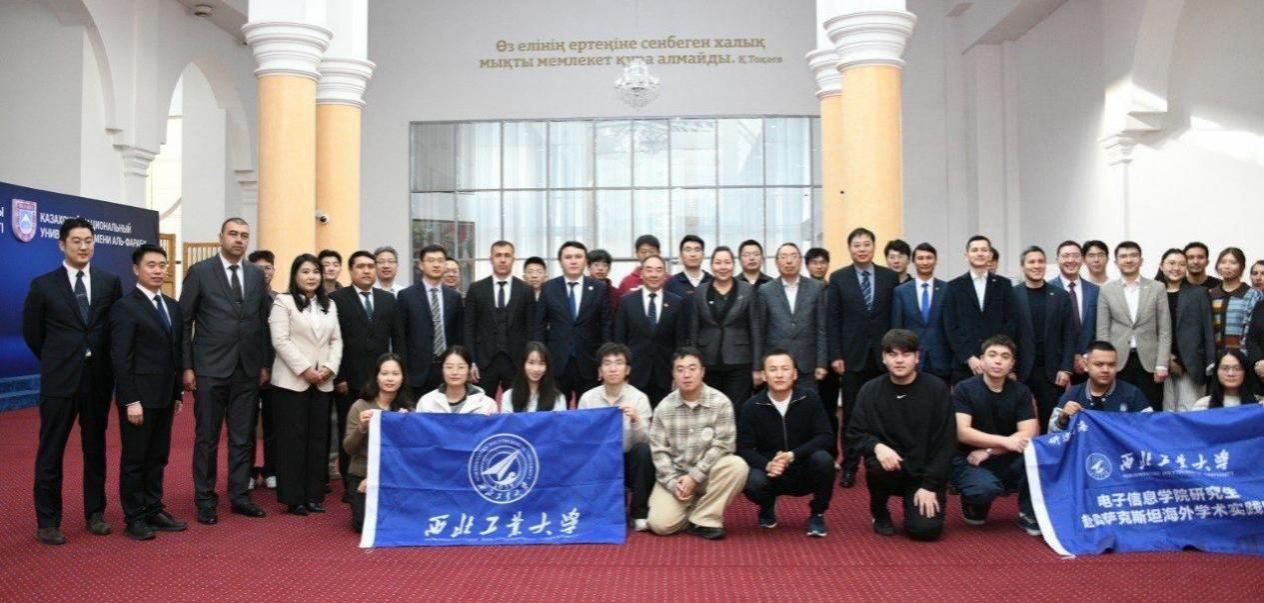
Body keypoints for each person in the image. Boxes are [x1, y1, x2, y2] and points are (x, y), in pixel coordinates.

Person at [22, 217, 122, 544]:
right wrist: (59, 359)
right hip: (60, 380)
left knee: (95, 449)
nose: (83, 246)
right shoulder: (43, 285)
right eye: (76, 241)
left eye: (88, 241)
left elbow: (114, 329)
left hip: (97, 380)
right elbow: (33, 333)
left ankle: (95, 513)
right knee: (51, 450)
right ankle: (48, 521)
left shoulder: (109, 282)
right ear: (62, 245)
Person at [180, 217, 272, 525]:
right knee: (207, 438)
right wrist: (187, 366)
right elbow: (184, 321)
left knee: (243, 438)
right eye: (233, 234)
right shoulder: (200, 272)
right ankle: (205, 499)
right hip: (209, 369)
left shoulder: (256, 275)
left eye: (244, 235)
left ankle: (240, 495)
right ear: (220, 237)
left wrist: (264, 363)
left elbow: (263, 323)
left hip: (247, 369)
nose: (238, 239)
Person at [109, 244, 187, 541]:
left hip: (165, 395)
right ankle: (135, 517)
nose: (157, 270)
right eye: (151, 265)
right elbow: (121, 358)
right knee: (135, 459)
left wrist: (177, 392)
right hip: (138, 398)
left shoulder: (172, 306)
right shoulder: (125, 307)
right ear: (136, 269)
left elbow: (175, 352)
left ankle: (154, 508)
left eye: (162, 265)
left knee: (158, 457)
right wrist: (130, 399)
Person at [846, 329, 955, 541]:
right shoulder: (870, 390)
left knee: (925, 531)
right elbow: (854, 434)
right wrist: (876, 446)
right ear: (884, 358)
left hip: (924, 473)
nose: (899, 360)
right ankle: (879, 511)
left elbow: (946, 442)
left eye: (906, 354)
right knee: (875, 463)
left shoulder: (937, 389)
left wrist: (930, 485)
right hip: (889, 469)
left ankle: (913, 505)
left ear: (917, 357)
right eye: (893, 354)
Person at [647, 349, 748, 540]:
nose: (686, 375)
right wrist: (673, 483)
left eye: (692, 368)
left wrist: (694, 477)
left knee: (737, 466)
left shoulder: (721, 402)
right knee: (660, 525)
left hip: (709, 474)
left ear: (702, 372)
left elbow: (724, 445)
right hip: (677, 477)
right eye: (680, 370)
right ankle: (694, 506)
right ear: (673, 374)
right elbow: (659, 452)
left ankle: (704, 518)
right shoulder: (664, 408)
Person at [269, 254, 342, 516]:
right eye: (305, 271)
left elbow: (336, 340)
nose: (311, 277)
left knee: (318, 440)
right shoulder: (283, 302)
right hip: (292, 381)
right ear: (295, 275)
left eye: (315, 272)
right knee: (293, 440)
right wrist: (305, 370)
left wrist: (329, 367)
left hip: (323, 381)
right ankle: (294, 497)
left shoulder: (329, 304)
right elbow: (280, 340)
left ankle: (313, 494)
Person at [329, 250, 406, 499]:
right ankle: (350, 485)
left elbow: (398, 338)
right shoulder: (337, 299)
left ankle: (385, 477)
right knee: (350, 429)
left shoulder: (388, 299)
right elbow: (333, 340)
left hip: (384, 379)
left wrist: (399, 372)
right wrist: (339, 376)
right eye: (360, 266)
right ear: (351, 271)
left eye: (370, 266)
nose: (366, 271)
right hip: (349, 379)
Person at [737, 349, 835, 537]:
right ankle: (767, 506)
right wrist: (767, 465)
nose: (779, 375)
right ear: (764, 375)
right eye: (773, 369)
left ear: (795, 374)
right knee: (752, 480)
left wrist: (792, 455)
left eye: (785, 369)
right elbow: (743, 448)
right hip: (771, 472)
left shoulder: (810, 398)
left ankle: (817, 513)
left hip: (803, 467)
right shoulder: (751, 406)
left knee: (824, 460)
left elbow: (825, 436)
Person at [828, 228, 899, 486]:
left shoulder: (889, 277)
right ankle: (849, 465)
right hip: (851, 357)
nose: (862, 249)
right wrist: (835, 355)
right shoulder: (838, 278)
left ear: (874, 247)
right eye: (857, 245)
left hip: (883, 357)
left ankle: (884, 461)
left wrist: (895, 353)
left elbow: (895, 317)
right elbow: (832, 320)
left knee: (885, 412)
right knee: (851, 414)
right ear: (849, 248)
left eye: (866, 244)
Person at [950, 336, 1041, 536]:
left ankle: (1028, 512)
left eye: (1005, 357)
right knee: (983, 490)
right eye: (992, 355)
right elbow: (963, 432)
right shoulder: (964, 389)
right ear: (982, 360)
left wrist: (991, 450)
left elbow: (1029, 432)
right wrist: (1006, 441)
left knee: (1037, 457)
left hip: (1005, 455)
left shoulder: (1021, 392)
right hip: (970, 458)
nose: (998, 361)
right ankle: (972, 501)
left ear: (1012, 364)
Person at [578, 343, 655, 531]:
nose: (613, 369)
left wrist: (636, 420)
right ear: (600, 370)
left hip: (628, 461)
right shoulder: (588, 399)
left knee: (644, 452)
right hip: (600, 461)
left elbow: (647, 440)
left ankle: (639, 512)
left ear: (627, 370)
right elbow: (580, 440)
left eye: (619, 363)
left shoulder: (639, 398)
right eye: (607, 363)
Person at [533, 241, 613, 401]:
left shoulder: (599, 288)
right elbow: (539, 327)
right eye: (568, 257)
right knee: (556, 409)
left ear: (585, 261)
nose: (573, 261)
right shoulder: (548, 288)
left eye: (578, 257)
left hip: (589, 361)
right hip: (557, 362)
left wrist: (604, 361)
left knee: (590, 410)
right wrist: (540, 361)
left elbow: (606, 326)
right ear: (560, 261)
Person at [343, 353, 414, 532]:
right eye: (384, 373)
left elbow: (411, 454)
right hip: (362, 475)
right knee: (364, 524)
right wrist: (361, 427)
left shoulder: (407, 409)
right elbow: (349, 448)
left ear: (403, 378)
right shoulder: (360, 406)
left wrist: (407, 427)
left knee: (404, 521)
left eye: (395, 374)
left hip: (394, 476)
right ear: (376, 376)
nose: (390, 378)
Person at [1096, 241, 1170, 409]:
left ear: (1141, 260)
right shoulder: (1107, 290)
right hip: (1117, 362)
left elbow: (1165, 330)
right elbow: (1102, 331)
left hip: (1150, 363)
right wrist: (1105, 364)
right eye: (1123, 256)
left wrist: (1162, 364)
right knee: (1119, 410)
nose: (1128, 260)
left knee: (1151, 409)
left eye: (1133, 256)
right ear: (1116, 262)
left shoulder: (1157, 288)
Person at [943, 235, 1021, 384]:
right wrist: (968, 357)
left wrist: (994, 355)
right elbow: (950, 326)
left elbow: (1011, 321)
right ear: (966, 255)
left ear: (990, 255)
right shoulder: (953, 287)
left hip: (997, 363)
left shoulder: (1004, 285)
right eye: (975, 250)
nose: (979, 253)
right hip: (965, 364)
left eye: (984, 250)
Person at [691, 246, 762, 411]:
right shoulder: (700, 292)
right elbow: (694, 329)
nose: (723, 267)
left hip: (740, 361)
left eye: (727, 262)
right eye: (718, 263)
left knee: (737, 409)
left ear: (734, 265)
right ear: (711, 266)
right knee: (710, 408)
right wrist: (694, 364)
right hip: (708, 361)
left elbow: (755, 330)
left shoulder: (747, 290)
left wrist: (757, 367)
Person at [1013, 246, 1075, 429]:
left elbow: (1069, 335)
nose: (1037, 265)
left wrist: (1066, 368)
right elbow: (1006, 335)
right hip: (1021, 370)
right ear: (1022, 266)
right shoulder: (1012, 295)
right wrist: (1010, 369)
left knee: (1050, 420)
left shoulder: (1061, 296)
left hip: (1052, 371)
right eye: (1031, 262)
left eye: (1040, 261)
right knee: (1019, 419)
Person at [615, 255, 690, 405]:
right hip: (635, 374)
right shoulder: (627, 302)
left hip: (666, 374)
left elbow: (680, 342)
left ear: (665, 274)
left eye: (659, 270)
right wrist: (623, 372)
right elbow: (620, 340)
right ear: (641, 273)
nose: (654, 275)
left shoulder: (677, 302)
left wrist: (678, 373)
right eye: (649, 270)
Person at [755, 243, 828, 392]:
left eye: (793, 256)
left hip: (807, 363)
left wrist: (821, 363)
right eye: (784, 257)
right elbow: (760, 331)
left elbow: (821, 328)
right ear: (776, 263)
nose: (789, 261)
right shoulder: (765, 290)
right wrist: (759, 366)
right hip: (776, 364)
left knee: (807, 402)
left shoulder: (816, 287)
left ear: (800, 261)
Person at [463, 241, 532, 396]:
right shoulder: (476, 289)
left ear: (513, 259)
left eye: (507, 255)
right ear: (491, 259)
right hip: (483, 362)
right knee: (481, 405)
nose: (502, 260)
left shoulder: (525, 290)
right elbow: (469, 328)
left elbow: (530, 329)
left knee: (517, 405)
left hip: (516, 362)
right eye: (498, 255)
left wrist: (528, 361)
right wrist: (470, 361)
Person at [398, 244, 463, 394]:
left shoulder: (454, 297)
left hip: (448, 369)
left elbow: (459, 334)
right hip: (417, 371)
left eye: (440, 261)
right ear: (421, 265)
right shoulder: (406, 296)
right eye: (431, 260)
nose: (436, 265)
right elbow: (400, 337)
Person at [1156, 249, 1215, 412]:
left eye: (1182, 264)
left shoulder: (1199, 293)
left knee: (1190, 411)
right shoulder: (1154, 292)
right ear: (1161, 266)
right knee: (1166, 411)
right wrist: (1166, 359)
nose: (1176, 268)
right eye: (1171, 263)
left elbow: (1208, 330)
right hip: (1159, 364)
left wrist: (1210, 362)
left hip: (1191, 366)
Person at [1049, 341, 1153, 432]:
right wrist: (1063, 418)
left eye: (1111, 365)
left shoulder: (1133, 394)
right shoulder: (1073, 394)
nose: (1105, 370)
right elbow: (1051, 434)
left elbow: (1151, 429)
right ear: (1086, 365)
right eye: (1099, 364)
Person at [891, 242, 951, 380]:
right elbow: (897, 328)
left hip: (941, 359)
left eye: (929, 258)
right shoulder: (901, 291)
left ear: (935, 261)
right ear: (913, 261)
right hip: (911, 358)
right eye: (920, 258)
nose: (925, 262)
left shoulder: (947, 289)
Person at [248, 249, 279, 489]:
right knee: (246, 425)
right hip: (247, 371)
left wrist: (268, 366)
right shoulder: (244, 299)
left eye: (267, 268)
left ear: (274, 271)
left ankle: (271, 470)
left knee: (273, 424)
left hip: (277, 371)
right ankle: (247, 472)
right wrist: (259, 365)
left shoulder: (281, 299)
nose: (264, 272)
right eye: (258, 269)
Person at [1048, 240, 1100, 385]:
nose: (1071, 260)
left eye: (1076, 256)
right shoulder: (1047, 290)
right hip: (1056, 367)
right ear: (1057, 260)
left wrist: (1086, 356)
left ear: (1082, 259)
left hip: (1088, 365)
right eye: (1066, 256)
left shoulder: (1095, 291)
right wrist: (1069, 358)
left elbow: (1099, 329)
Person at [1207, 247, 1261, 353]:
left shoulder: (1253, 295)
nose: (1227, 266)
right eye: (1223, 262)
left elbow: (1253, 330)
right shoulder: (1209, 295)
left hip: (1244, 357)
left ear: (1242, 267)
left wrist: (1241, 355)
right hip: (1214, 357)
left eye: (1233, 262)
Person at [415, 346, 497, 414]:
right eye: (449, 367)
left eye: (461, 367)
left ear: (469, 370)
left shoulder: (486, 404)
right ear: (442, 370)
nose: (455, 372)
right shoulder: (426, 402)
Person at [501, 342, 567, 412]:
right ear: (523, 365)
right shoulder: (508, 396)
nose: (536, 369)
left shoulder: (558, 398)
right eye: (531, 363)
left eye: (541, 363)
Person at [1192, 349, 1263, 410]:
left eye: (1237, 368)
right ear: (1216, 372)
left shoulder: (1260, 404)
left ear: (1245, 372)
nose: (1230, 373)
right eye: (1225, 368)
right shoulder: (1203, 406)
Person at [587, 248, 620, 313]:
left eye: (604, 265)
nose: (600, 268)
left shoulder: (616, 293)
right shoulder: (581, 289)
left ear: (609, 269)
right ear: (588, 267)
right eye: (596, 265)